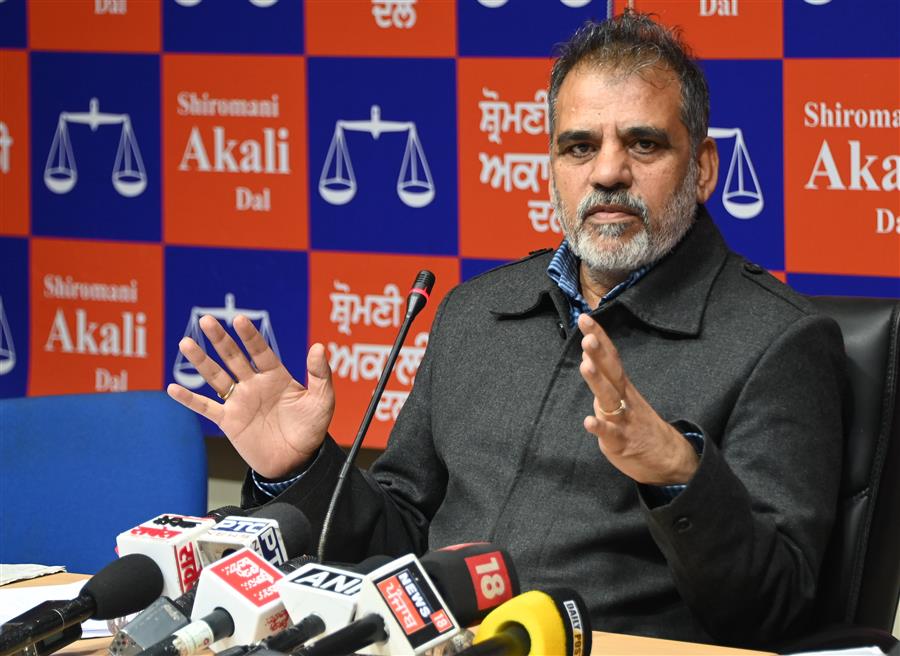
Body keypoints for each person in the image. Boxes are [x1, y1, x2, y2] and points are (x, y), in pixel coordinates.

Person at [167, 11, 849, 649]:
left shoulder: (779, 340)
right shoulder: (476, 313)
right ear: (553, 168)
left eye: (643, 144)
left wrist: (678, 476)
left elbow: (777, 609)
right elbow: (398, 538)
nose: (608, 172)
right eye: (579, 147)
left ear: (701, 169)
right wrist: (301, 469)